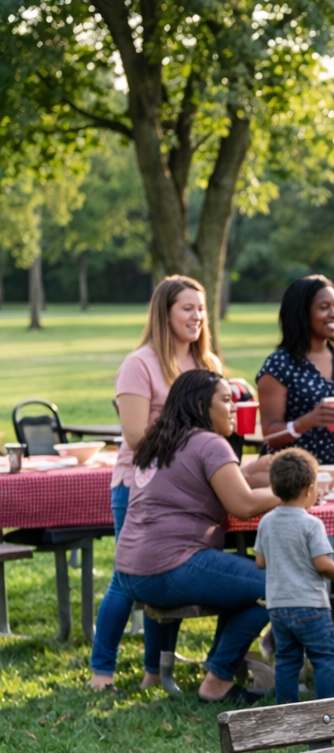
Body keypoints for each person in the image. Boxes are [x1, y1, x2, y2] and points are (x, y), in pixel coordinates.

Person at [89, 275, 223, 692]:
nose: (197, 316)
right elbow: (134, 437)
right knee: (127, 578)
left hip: (190, 491)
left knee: (169, 574)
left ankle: (154, 672)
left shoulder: (207, 365)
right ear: (164, 313)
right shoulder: (140, 364)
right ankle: (101, 672)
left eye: (201, 309)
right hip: (138, 485)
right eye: (188, 308)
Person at [114, 370, 279, 705]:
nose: (235, 407)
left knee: (249, 582)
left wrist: (251, 475)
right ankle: (218, 679)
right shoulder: (209, 442)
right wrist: (295, 493)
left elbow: (207, 485)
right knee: (277, 582)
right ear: (202, 404)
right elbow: (243, 505)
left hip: (131, 572)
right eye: (226, 400)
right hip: (171, 568)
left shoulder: (160, 438)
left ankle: (217, 667)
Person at [254, 449, 334, 704]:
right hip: (310, 605)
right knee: (323, 658)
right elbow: (322, 563)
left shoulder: (266, 522)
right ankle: (328, 710)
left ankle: (288, 713)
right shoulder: (312, 524)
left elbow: (260, 561)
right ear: (309, 489)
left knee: (287, 660)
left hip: (279, 606)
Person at [256, 275, 334, 468]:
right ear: (302, 313)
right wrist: (307, 422)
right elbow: (270, 436)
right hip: (290, 478)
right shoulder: (279, 365)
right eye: (324, 307)